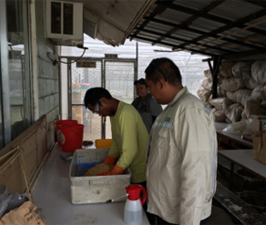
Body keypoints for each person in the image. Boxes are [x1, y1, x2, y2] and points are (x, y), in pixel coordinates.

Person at [144, 58, 218, 225]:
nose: (149, 92)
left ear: (161, 83)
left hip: (184, 215)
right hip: (168, 208)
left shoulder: (189, 111)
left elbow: (196, 172)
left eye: (149, 86)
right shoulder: (173, 109)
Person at [83, 87, 149, 185]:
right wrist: (109, 160)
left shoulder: (126, 113)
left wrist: (113, 172)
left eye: (97, 111)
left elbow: (131, 150)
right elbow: (116, 141)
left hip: (138, 174)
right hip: (127, 168)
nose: (100, 114)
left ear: (103, 101)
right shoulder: (114, 114)